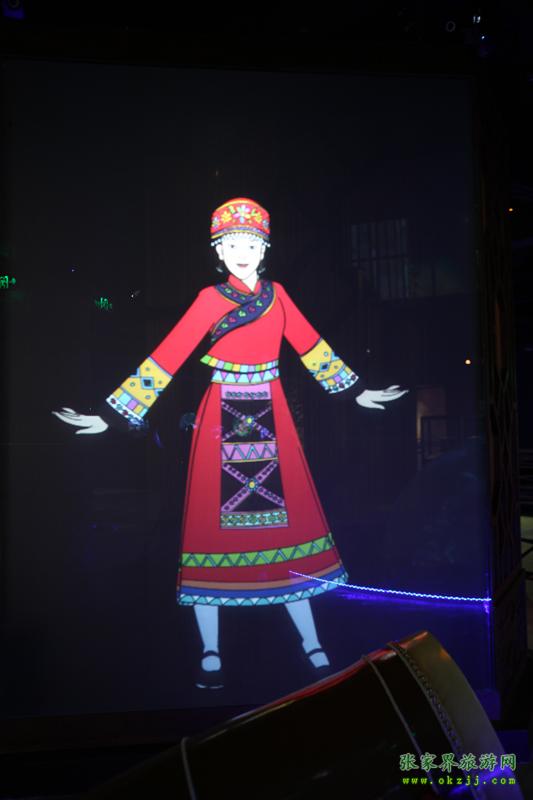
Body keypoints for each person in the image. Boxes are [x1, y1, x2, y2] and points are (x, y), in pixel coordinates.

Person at [53, 197, 407, 688]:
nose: (243, 253)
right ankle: (211, 649)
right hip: (221, 417)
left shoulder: (278, 296)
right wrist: (112, 417)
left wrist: (356, 391)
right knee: (211, 530)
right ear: (219, 252)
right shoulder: (209, 299)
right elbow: (169, 355)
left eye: (252, 244)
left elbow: (312, 347)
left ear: (264, 250)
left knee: (288, 529)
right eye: (232, 245)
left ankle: (311, 642)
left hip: (272, 414)